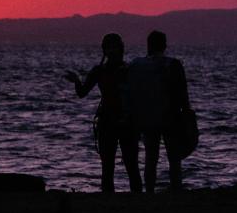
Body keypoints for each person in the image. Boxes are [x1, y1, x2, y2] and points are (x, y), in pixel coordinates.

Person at [63, 33, 142, 193]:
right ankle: (109, 198)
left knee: (131, 164)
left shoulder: (129, 70)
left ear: (121, 49)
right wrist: (77, 81)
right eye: (109, 48)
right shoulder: (100, 71)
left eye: (115, 47)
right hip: (107, 122)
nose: (112, 51)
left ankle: (138, 198)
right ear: (104, 50)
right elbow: (82, 92)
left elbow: (138, 96)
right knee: (107, 165)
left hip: (126, 121)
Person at [126, 30, 191, 192]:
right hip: (171, 117)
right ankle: (176, 189)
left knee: (151, 158)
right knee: (174, 158)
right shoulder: (173, 64)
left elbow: (131, 92)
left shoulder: (136, 65)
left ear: (148, 46)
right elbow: (183, 92)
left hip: (148, 118)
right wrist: (187, 112)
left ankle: (149, 191)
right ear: (165, 45)